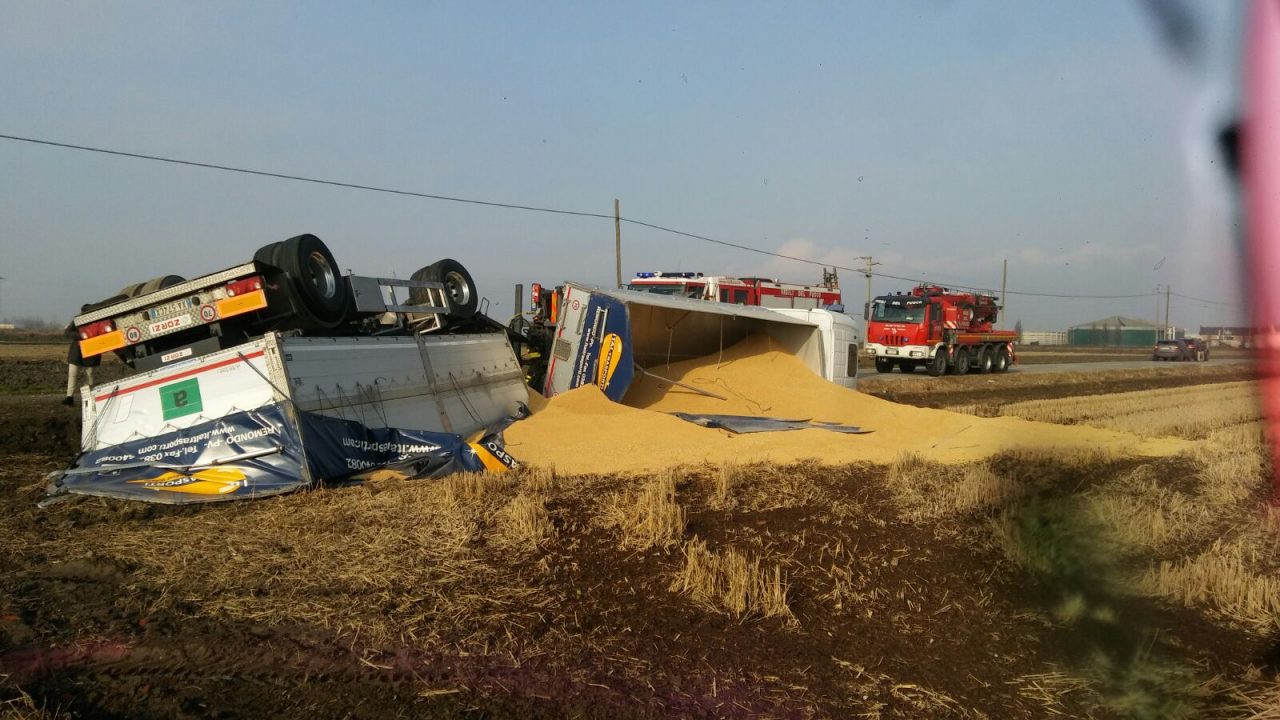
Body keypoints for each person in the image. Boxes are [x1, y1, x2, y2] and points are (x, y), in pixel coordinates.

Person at [62, 312, 100, 407]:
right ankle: (70, 397)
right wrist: (82, 336)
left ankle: (87, 398)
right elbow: (67, 332)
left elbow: (67, 332)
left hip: (90, 351)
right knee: (76, 375)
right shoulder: (77, 320)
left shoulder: (97, 321)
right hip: (79, 352)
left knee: (88, 375)